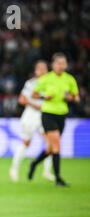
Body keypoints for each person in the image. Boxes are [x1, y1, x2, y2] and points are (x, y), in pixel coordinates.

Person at [29, 53, 80, 186]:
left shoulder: (70, 79)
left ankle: (34, 163)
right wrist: (44, 96)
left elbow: (77, 97)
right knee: (57, 145)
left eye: (63, 63)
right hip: (48, 114)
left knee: (51, 148)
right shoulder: (46, 79)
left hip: (61, 115)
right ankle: (58, 178)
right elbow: (34, 94)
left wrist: (71, 98)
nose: (61, 66)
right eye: (59, 63)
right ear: (53, 64)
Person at [9, 61, 54, 182]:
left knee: (50, 143)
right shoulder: (31, 83)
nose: (43, 71)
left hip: (45, 115)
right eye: (40, 69)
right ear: (36, 71)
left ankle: (47, 171)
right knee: (26, 142)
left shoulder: (51, 84)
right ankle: (14, 168)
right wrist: (35, 105)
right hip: (31, 115)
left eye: (44, 68)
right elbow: (22, 100)